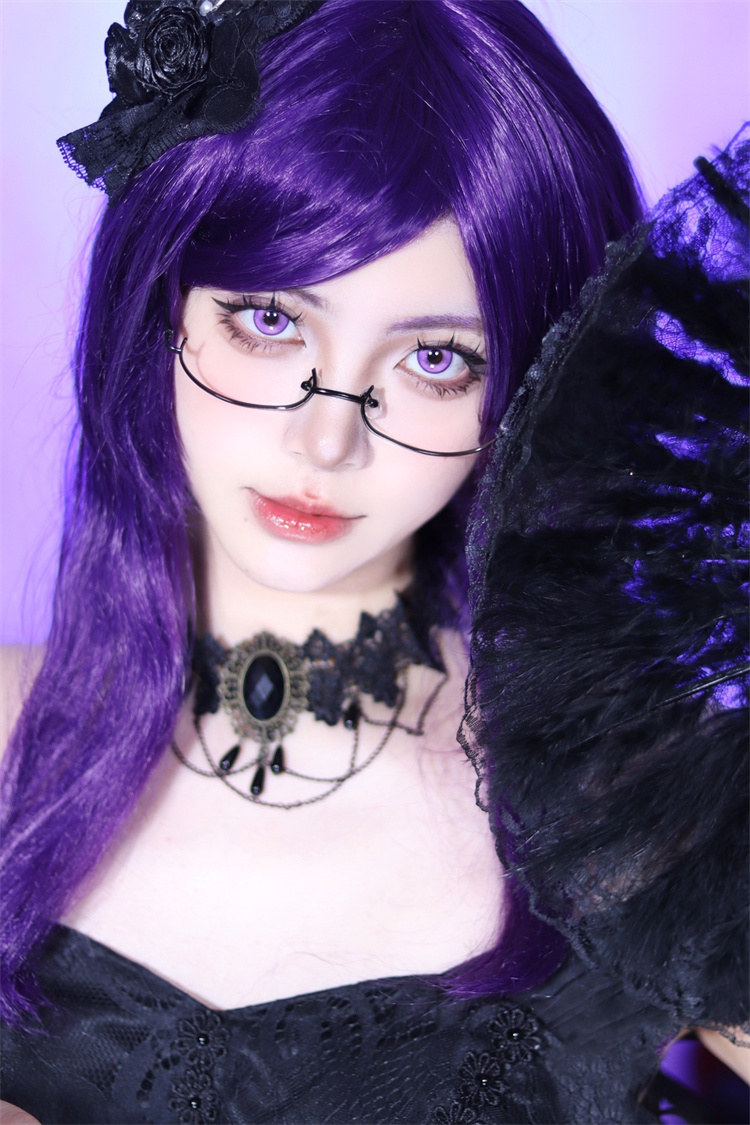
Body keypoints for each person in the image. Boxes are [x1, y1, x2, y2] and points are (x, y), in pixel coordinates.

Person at [0, 2, 746, 1122]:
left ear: (531, 381)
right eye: (269, 321)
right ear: (159, 306)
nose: (327, 440)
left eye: (437, 358)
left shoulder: (626, 792)